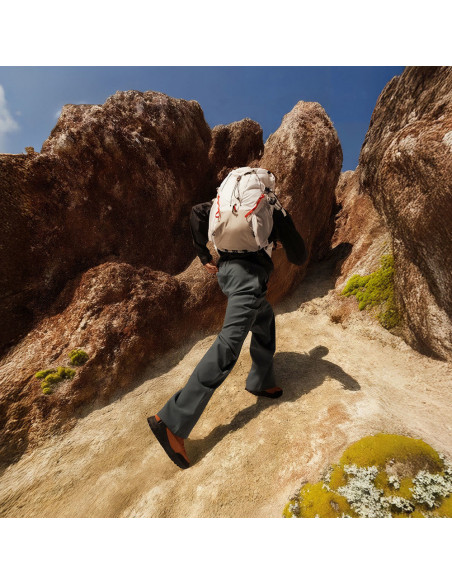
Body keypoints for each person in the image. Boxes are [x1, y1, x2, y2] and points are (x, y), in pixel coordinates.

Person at [147, 168, 307, 469]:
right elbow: (299, 255)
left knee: (264, 319)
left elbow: (197, 213)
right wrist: (282, 231)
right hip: (249, 278)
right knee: (228, 346)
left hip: (229, 272)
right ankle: (171, 421)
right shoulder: (271, 205)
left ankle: (261, 380)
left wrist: (204, 255)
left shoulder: (225, 202)